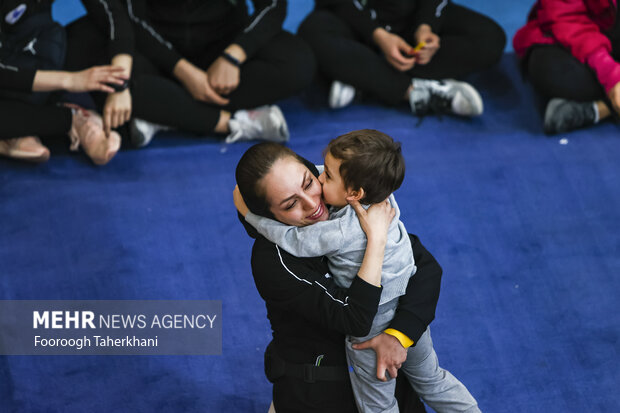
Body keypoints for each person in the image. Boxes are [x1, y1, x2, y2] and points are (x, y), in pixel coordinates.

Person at [236, 134, 479, 413]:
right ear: (268, 212)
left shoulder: (353, 202)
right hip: (320, 392)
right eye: (290, 204)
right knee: (430, 382)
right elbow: (356, 318)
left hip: (388, 351)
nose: (312, 203)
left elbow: (427, 269)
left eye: (311, 181)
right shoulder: (274, 261)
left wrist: (399, 335)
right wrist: (376, 240)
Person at [64, 0, 314, 146]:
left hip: (223, 48)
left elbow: (273, 6)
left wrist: (234, 55)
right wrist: (184, 72)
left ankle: (164, 112)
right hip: (153, 49)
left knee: (297, 62)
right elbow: (124, 17)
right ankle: (232, 122)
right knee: (82, 40)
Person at [297, 0, 505, 117]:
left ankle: (361, 77)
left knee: (490, 38)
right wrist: (377, 34)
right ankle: (413, 92)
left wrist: (426, 26)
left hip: (411, 20)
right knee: (312, 32)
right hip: (353, 22)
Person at [0, 0, 122, 164]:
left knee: (95, 34)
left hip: (31, 47)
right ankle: (68, 117)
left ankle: (68, 112)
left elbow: (113, 10)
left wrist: (121, 84)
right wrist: (69, 80)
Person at [513, 0, 620, 134]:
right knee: (552, 71)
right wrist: (611, 75)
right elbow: (566, 19)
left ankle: (599, 109)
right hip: (571, 35)